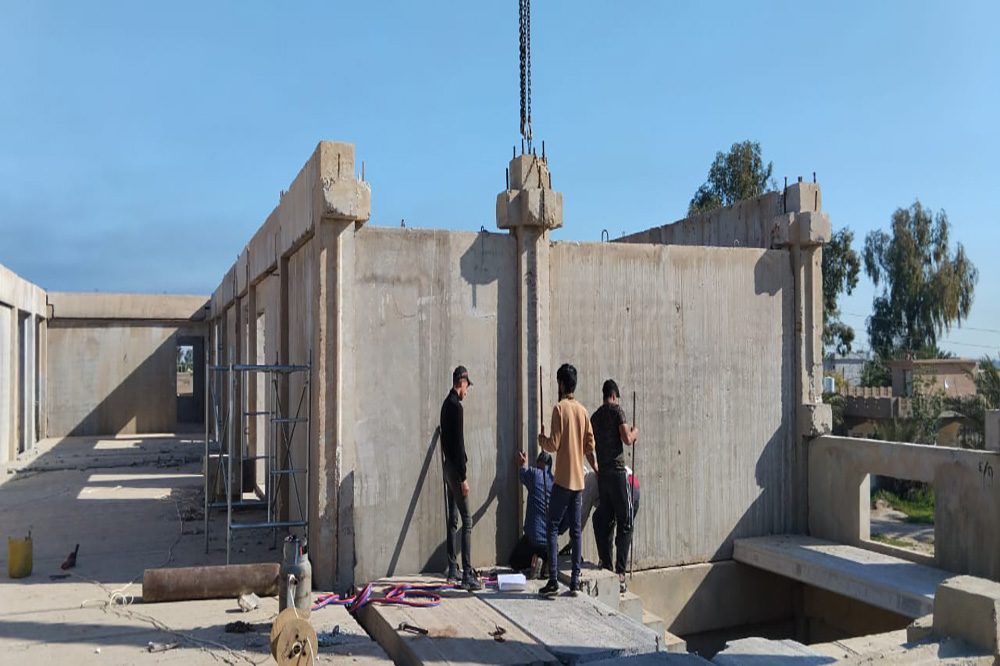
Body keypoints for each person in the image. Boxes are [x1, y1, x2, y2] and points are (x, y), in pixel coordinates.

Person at [538, 363, 597, 597]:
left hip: (562, 479)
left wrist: (542, 439)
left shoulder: (559, 409)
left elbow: (553, 444)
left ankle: (553, 579)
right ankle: (574, 580)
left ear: (562, 384)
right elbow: (590, 445)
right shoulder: (582, 411)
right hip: (579, 482)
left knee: (552, 527)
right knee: (576, 532)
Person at [590, 379, 639, 593]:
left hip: (604, 477)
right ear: (614, 396)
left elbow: (587, 447)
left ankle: (607, 566)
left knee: (605, 520)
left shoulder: (595, 416)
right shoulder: (617, 411)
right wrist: (636, 431)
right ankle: (620, 573)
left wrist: (596, 466)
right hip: (618, 474)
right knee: (625, 520)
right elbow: (627, 439)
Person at [440, 365, 481, 591]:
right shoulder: (457, 408)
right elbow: (458, 444)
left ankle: (452, 568)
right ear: (461, 382)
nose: (467, 391)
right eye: (467, 386)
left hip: (447, 468)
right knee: (467, 521)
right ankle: (466, 574)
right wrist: (463, 478)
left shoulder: (446, 405)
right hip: (456, 470)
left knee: (453, 519)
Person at [509, 450, 553, 574]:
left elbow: (523, 475)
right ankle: (544, 562)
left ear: (538, 463)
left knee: (514, 562)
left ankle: (534, 560)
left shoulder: (534, 474)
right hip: (549, 542)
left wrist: (523, 463)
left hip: (533, 538)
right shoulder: (555, 482)